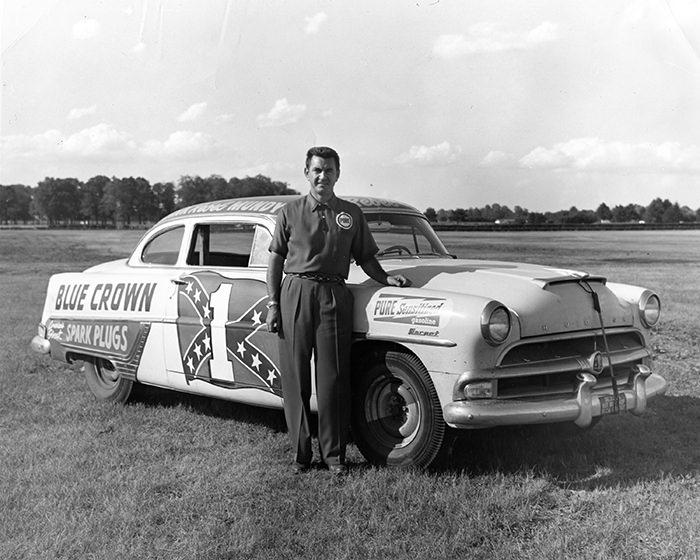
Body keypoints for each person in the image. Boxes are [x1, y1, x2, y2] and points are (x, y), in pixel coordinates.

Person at [266, 146, 410, 475]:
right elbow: (275, 258)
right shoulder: (290, 212)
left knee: (333, 378)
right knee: (295, 377)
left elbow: (366, 257)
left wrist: (385, 278)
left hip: (333, 293)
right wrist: (274, 303)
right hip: (295, 292)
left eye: (329, 170)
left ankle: (333, 456)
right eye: (316, 170)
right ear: (306, 173)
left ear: (337, 174)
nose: (323, 176)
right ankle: (302, 454)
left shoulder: (351, 214)